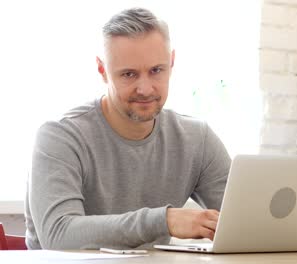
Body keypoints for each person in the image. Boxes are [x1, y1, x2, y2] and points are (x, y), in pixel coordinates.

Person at [25, 7, 231, 250]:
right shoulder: (60, 136)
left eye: (156, 70)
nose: (145, 88)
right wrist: (163, 221)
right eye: (129, 74)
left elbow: (246, 220)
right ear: (103, 70)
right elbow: (58, 235)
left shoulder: (197, 139)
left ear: (171, 63)